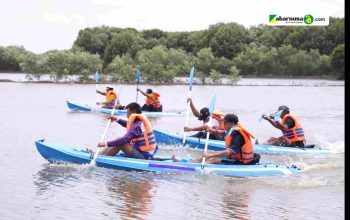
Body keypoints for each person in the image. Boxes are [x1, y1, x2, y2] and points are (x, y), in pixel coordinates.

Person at [173, 113, 260, 165]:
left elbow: (228, 152)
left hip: (241, 162)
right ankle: (184, 163)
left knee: (212, 159)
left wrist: (210, 154)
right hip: (234, 158)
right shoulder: (232, 129)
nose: (223, 124)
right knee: (205, 157)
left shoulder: (238, 135)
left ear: (232, 123)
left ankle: (188, 166)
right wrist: (212, 130)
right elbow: (223, 133)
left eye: (225, 123)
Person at [87, 102, 158, 159]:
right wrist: (116, 119)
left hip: (144, 156)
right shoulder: (138, 122)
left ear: (133, 111)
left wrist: (106, 143)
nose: (127, 114)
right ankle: (100, 154)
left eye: (128, 112)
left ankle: (101, 158)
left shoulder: (136, 126)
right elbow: (127, 124)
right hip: (143, 153)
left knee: (121, 144)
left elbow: (125, 139)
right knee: (118, 139)